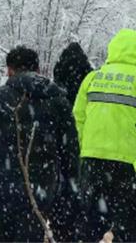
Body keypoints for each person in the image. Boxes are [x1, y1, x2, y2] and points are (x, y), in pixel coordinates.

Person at [0, 46, 80, 243]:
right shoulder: (58, 101)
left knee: (0, 236)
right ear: (38, 69)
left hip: (0, 185)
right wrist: (72, 186)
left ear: (9, 70)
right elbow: (70, 150)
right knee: (31, 235)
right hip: (41, 186)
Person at [74, 29, 136, 242]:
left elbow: (78, 119)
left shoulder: (93, 77)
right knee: (128, 221)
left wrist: (83, 151)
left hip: (92, 161)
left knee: (91, 219)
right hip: (126, 164)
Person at [51, 41, 93, 241]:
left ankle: (61, 232)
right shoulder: (90, 92)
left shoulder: (54, 95)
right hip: (84, 153)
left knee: (61, 199)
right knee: (81, 198)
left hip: (58, 156)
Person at [53, 41, 93, 106]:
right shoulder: (84, 63)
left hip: (63, 98)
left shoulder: (60, 63)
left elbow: (56, 78)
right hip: (79, 97)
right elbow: (90, 77)